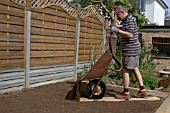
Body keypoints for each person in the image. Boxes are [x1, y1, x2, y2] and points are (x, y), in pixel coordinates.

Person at [110, 5, 147, 99]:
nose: (118, 17)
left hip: (130, 50)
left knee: (125, 69)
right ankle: (142, 90)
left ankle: (126, 93)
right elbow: (126, 27)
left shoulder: (129, 20)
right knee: (135, 69)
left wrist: (117, 30)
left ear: (122, 12)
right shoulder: (128, 19)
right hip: (134, 49)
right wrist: (119, 26)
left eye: (118, 15)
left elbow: (130, 34)